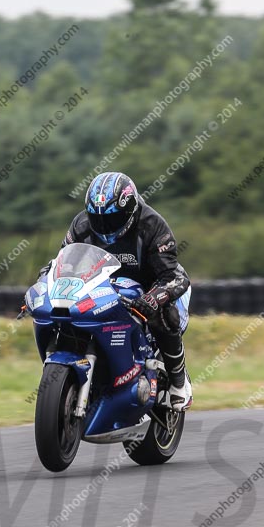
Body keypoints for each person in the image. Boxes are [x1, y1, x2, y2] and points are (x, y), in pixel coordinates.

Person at [47, 171, 193, 411]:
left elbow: (174, 276)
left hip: (150, 285)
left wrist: (152, 298)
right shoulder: (81, 224)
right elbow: (64, 262)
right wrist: (48, 277)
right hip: (103, 286)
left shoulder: (152, 225)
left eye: (113, 218)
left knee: (163, 316)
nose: (104, 226)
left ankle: (179, 381)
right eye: (98, 219)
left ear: (130, 211)